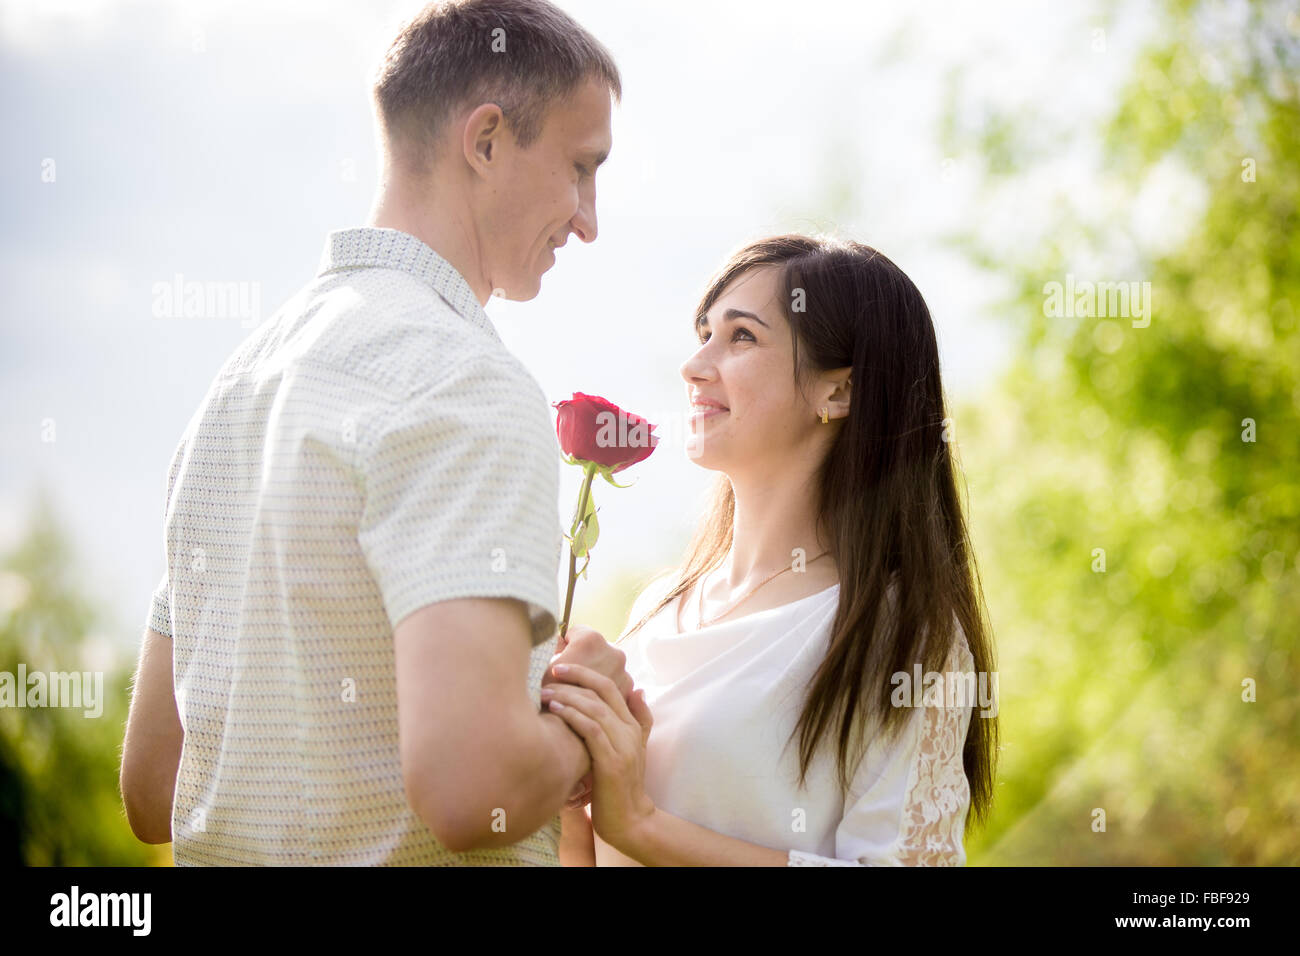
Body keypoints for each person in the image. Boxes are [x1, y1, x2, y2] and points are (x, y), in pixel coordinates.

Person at [119, 0, 636, 865]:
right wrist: (584, 730)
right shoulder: (467, 384)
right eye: (581, 168)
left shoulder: (234, 388)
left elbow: (149, 788)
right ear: (485, 141)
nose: (588, 218)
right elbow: (475, 795)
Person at [549, 235, 1000, 865]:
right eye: (704, 332)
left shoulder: (898, 631)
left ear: (837, 393)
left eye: (741, 337)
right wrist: (570, 776)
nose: (694, 364)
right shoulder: (661, 606)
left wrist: (645, 827)